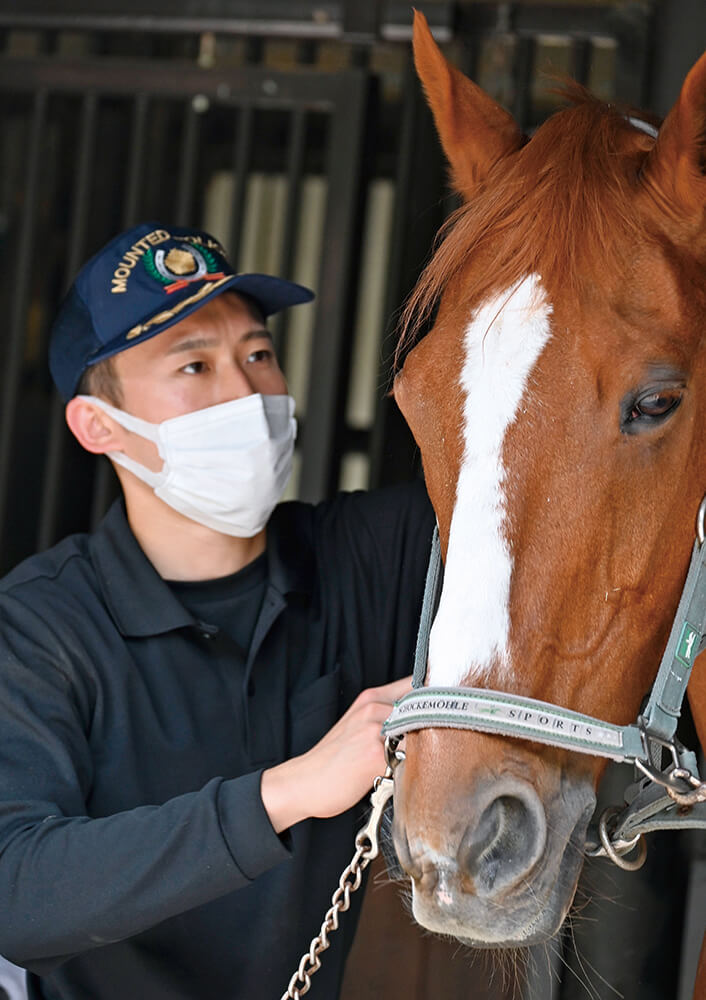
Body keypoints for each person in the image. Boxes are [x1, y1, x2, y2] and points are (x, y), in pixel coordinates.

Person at [0, 222, 433, 1000]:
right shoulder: (41, 627)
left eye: (258, 354)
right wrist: (291, 791)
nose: (245, 393)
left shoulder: (366, 557)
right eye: (194, 365)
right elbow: (14, 893)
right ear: (99, 426)